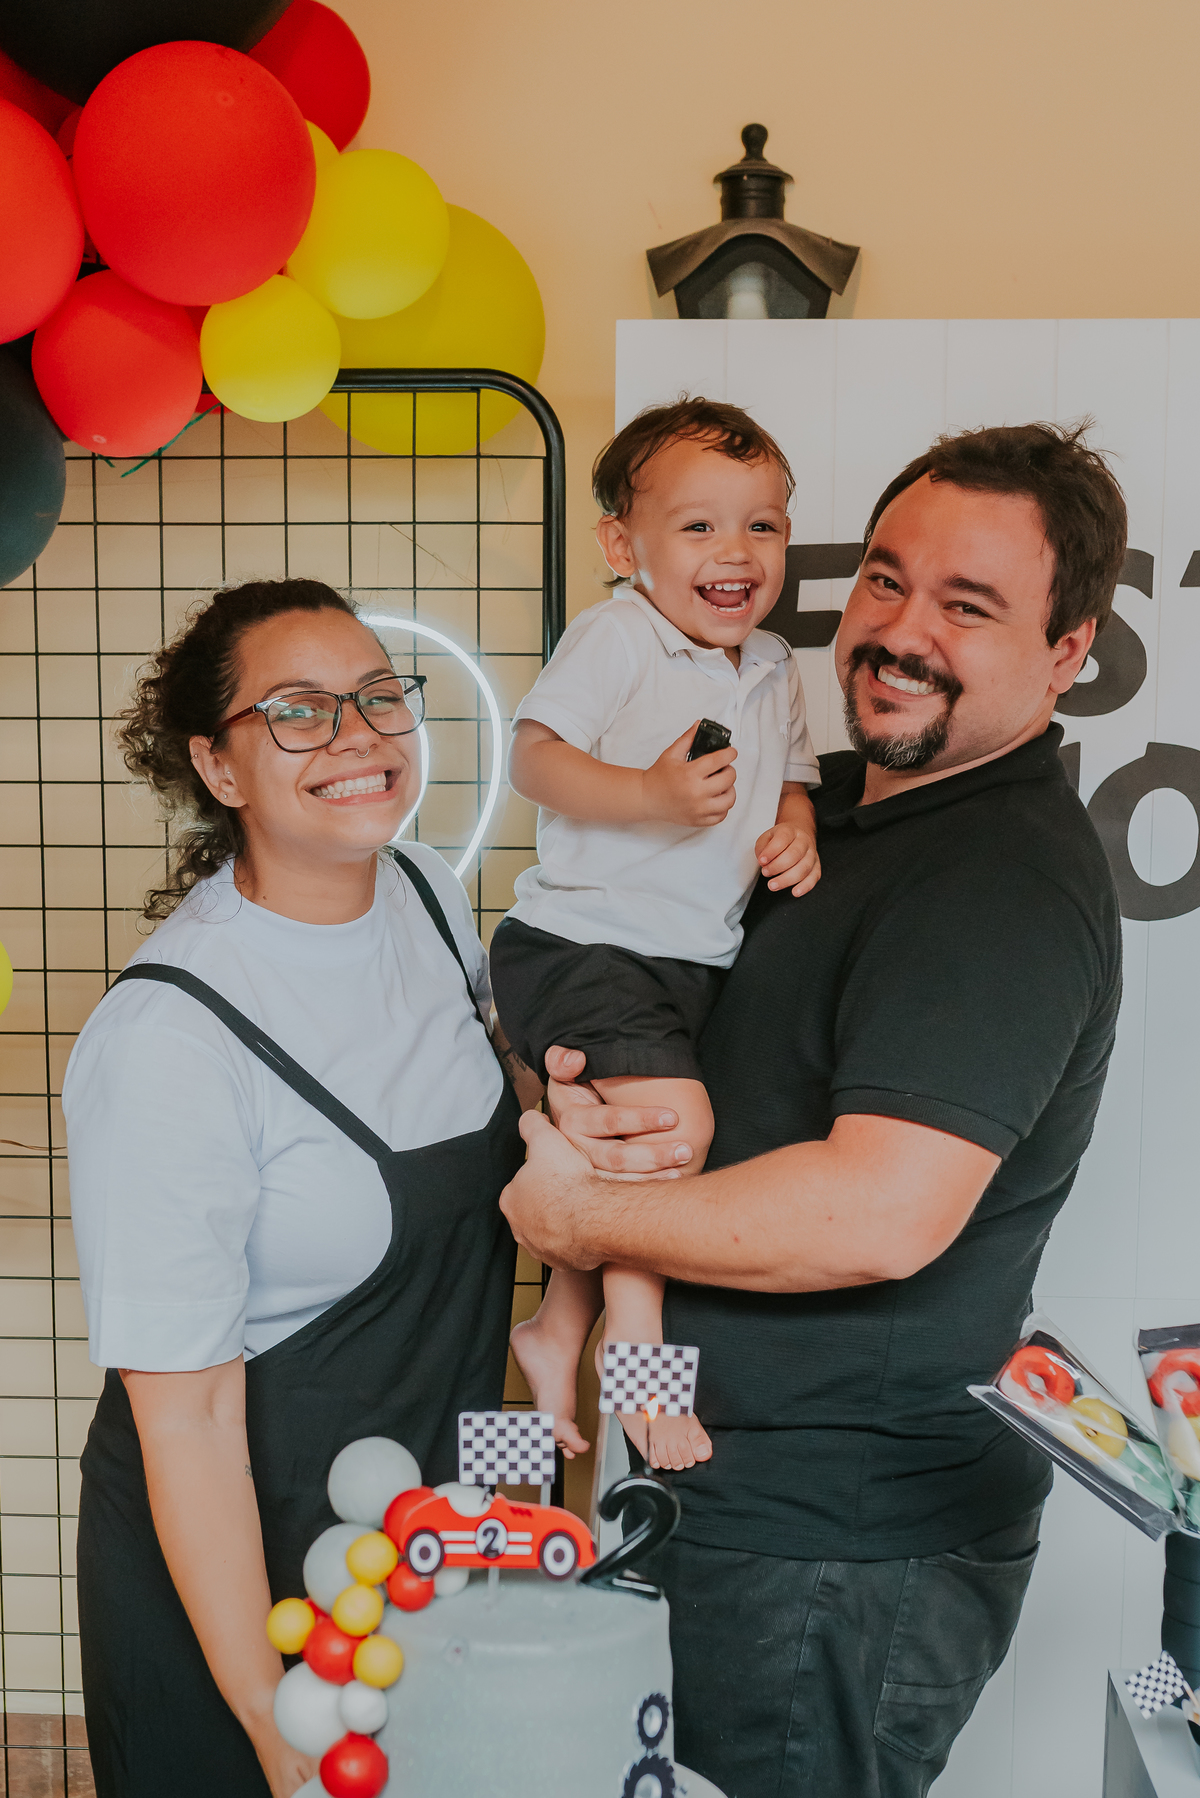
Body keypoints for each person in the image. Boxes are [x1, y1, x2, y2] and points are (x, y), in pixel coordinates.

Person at [499, 423, 1127, 1798]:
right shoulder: (814, 809)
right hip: (714, 1498)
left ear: (1067, 650)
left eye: (968, 606)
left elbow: (877, 1213)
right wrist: (569, 1097)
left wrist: (576, 1214)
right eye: (886, 580)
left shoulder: (1001, 881)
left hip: (832, 1551)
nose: (901, 632)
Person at [62, 579, 684, 1798]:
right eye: (297, 711)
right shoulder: (168, 1038)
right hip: (240, 1586)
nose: (356, 735)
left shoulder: (424, 897)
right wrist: (268, 1713)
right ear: (219, 766)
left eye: (378, 695)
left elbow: (487, 1100)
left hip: (410, 1543)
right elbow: (186, 1419)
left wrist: (572, 1106)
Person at [489, 398, 821, 1474]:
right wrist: (646, 793)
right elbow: (534, 757)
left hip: (690, 960)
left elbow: (796, 779)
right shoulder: (619, 635)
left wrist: (796, 829)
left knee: (614, 1145)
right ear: (623, 547)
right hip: (584, 942)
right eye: (699, 526)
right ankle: (636, 1357)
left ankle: (555, 1328)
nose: (737, 551)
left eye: (763, 525)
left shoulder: (773, 663)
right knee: (672, 1136)